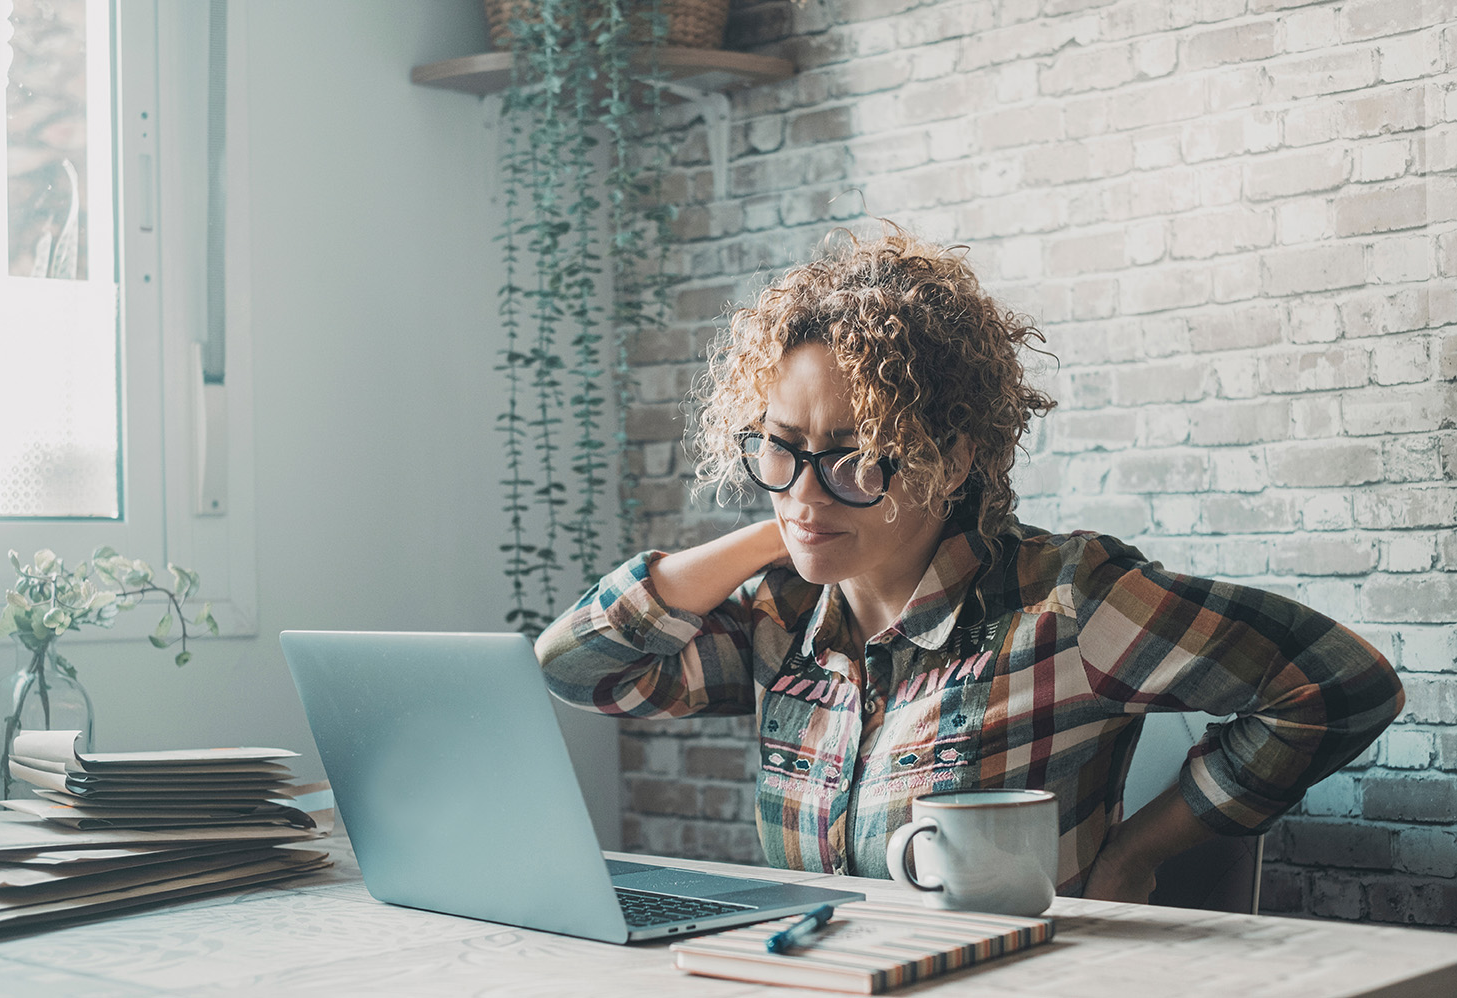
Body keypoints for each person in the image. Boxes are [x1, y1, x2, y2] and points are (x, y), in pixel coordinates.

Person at [534, 225, 1404, 901]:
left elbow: (1338, 687)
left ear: (951, 459)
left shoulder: (1064, 606)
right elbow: (578, 668)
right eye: (778, 447)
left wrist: (1139, 854)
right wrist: (791, 525)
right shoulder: (784, 614)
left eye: (855, 454)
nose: (806, 487)